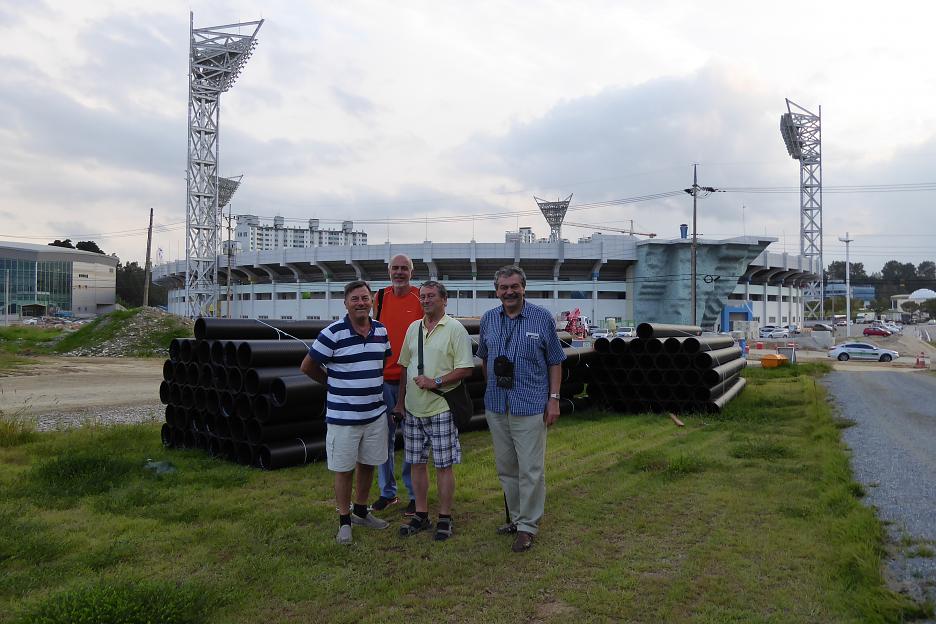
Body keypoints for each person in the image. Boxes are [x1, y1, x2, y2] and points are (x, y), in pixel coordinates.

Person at [476, 265, 566, 553]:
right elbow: (484, 358)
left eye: (514, 286)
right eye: (504, 287)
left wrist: (554, 398)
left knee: (531, 469)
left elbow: (555, 360)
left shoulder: (541, 318)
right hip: (497, 405)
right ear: (497, 290)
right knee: (506, 469)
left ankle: (528, 526)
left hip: (529, 406)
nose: (509, 292)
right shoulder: (489, 319)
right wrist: (492, 388)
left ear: (523, 288)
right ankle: (516, 519)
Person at [300, 280, 391, 545]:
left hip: (375, 414)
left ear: (372, 300)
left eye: (365, 298)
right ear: (346, 303)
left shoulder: (381, 331)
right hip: (344, 418)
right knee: (344, 469)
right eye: (355, 299)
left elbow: (380, 363)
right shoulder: (332, 333)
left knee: (368, 464)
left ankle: (362, 511)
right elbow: (307, 366)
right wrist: (332, 383)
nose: (361, 303)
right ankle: (344, 520)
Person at [393, 281, 474, 541]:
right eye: (423, 297)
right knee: (416, 463)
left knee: (443, 465)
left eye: (431, 297)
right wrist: (399, 403)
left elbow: (466, 369)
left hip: (441, 407)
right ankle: (421, 514)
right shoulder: (413, 328)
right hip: (414, 409)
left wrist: (435, 382)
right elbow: (404, 366)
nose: (425, 301)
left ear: (444, 300)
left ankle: (445, 516)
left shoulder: (455, 329)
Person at [371, 254, 423, 516]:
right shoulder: (379, 297)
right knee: (384, 439)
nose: (399, 272)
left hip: (411, 381)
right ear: (389, 271)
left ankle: (414, 494)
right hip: (383, 379)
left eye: (404, 268)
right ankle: (387, 492)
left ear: (411, 272)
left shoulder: (419, 297)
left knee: (412, 439)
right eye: (395, 268)